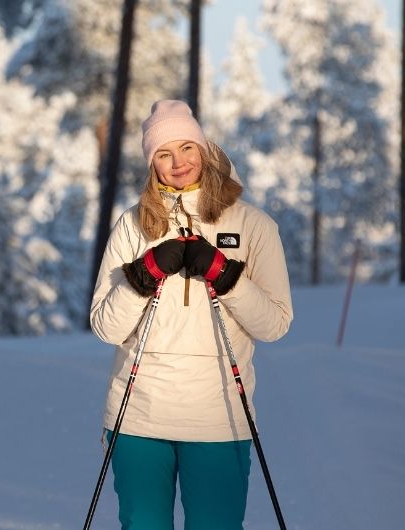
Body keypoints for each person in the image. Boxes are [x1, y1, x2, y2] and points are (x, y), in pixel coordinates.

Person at [89, 99, 293, 530]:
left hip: (219, 416)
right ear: (152, 165)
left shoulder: (254, 226)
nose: (178, 162)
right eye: (164, 154)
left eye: (186, 148)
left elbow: (274, 324)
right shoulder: (133, 225)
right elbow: (106, 327)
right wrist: (142, 275)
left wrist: (225, 275)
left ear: (204, 149)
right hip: (139, 416)